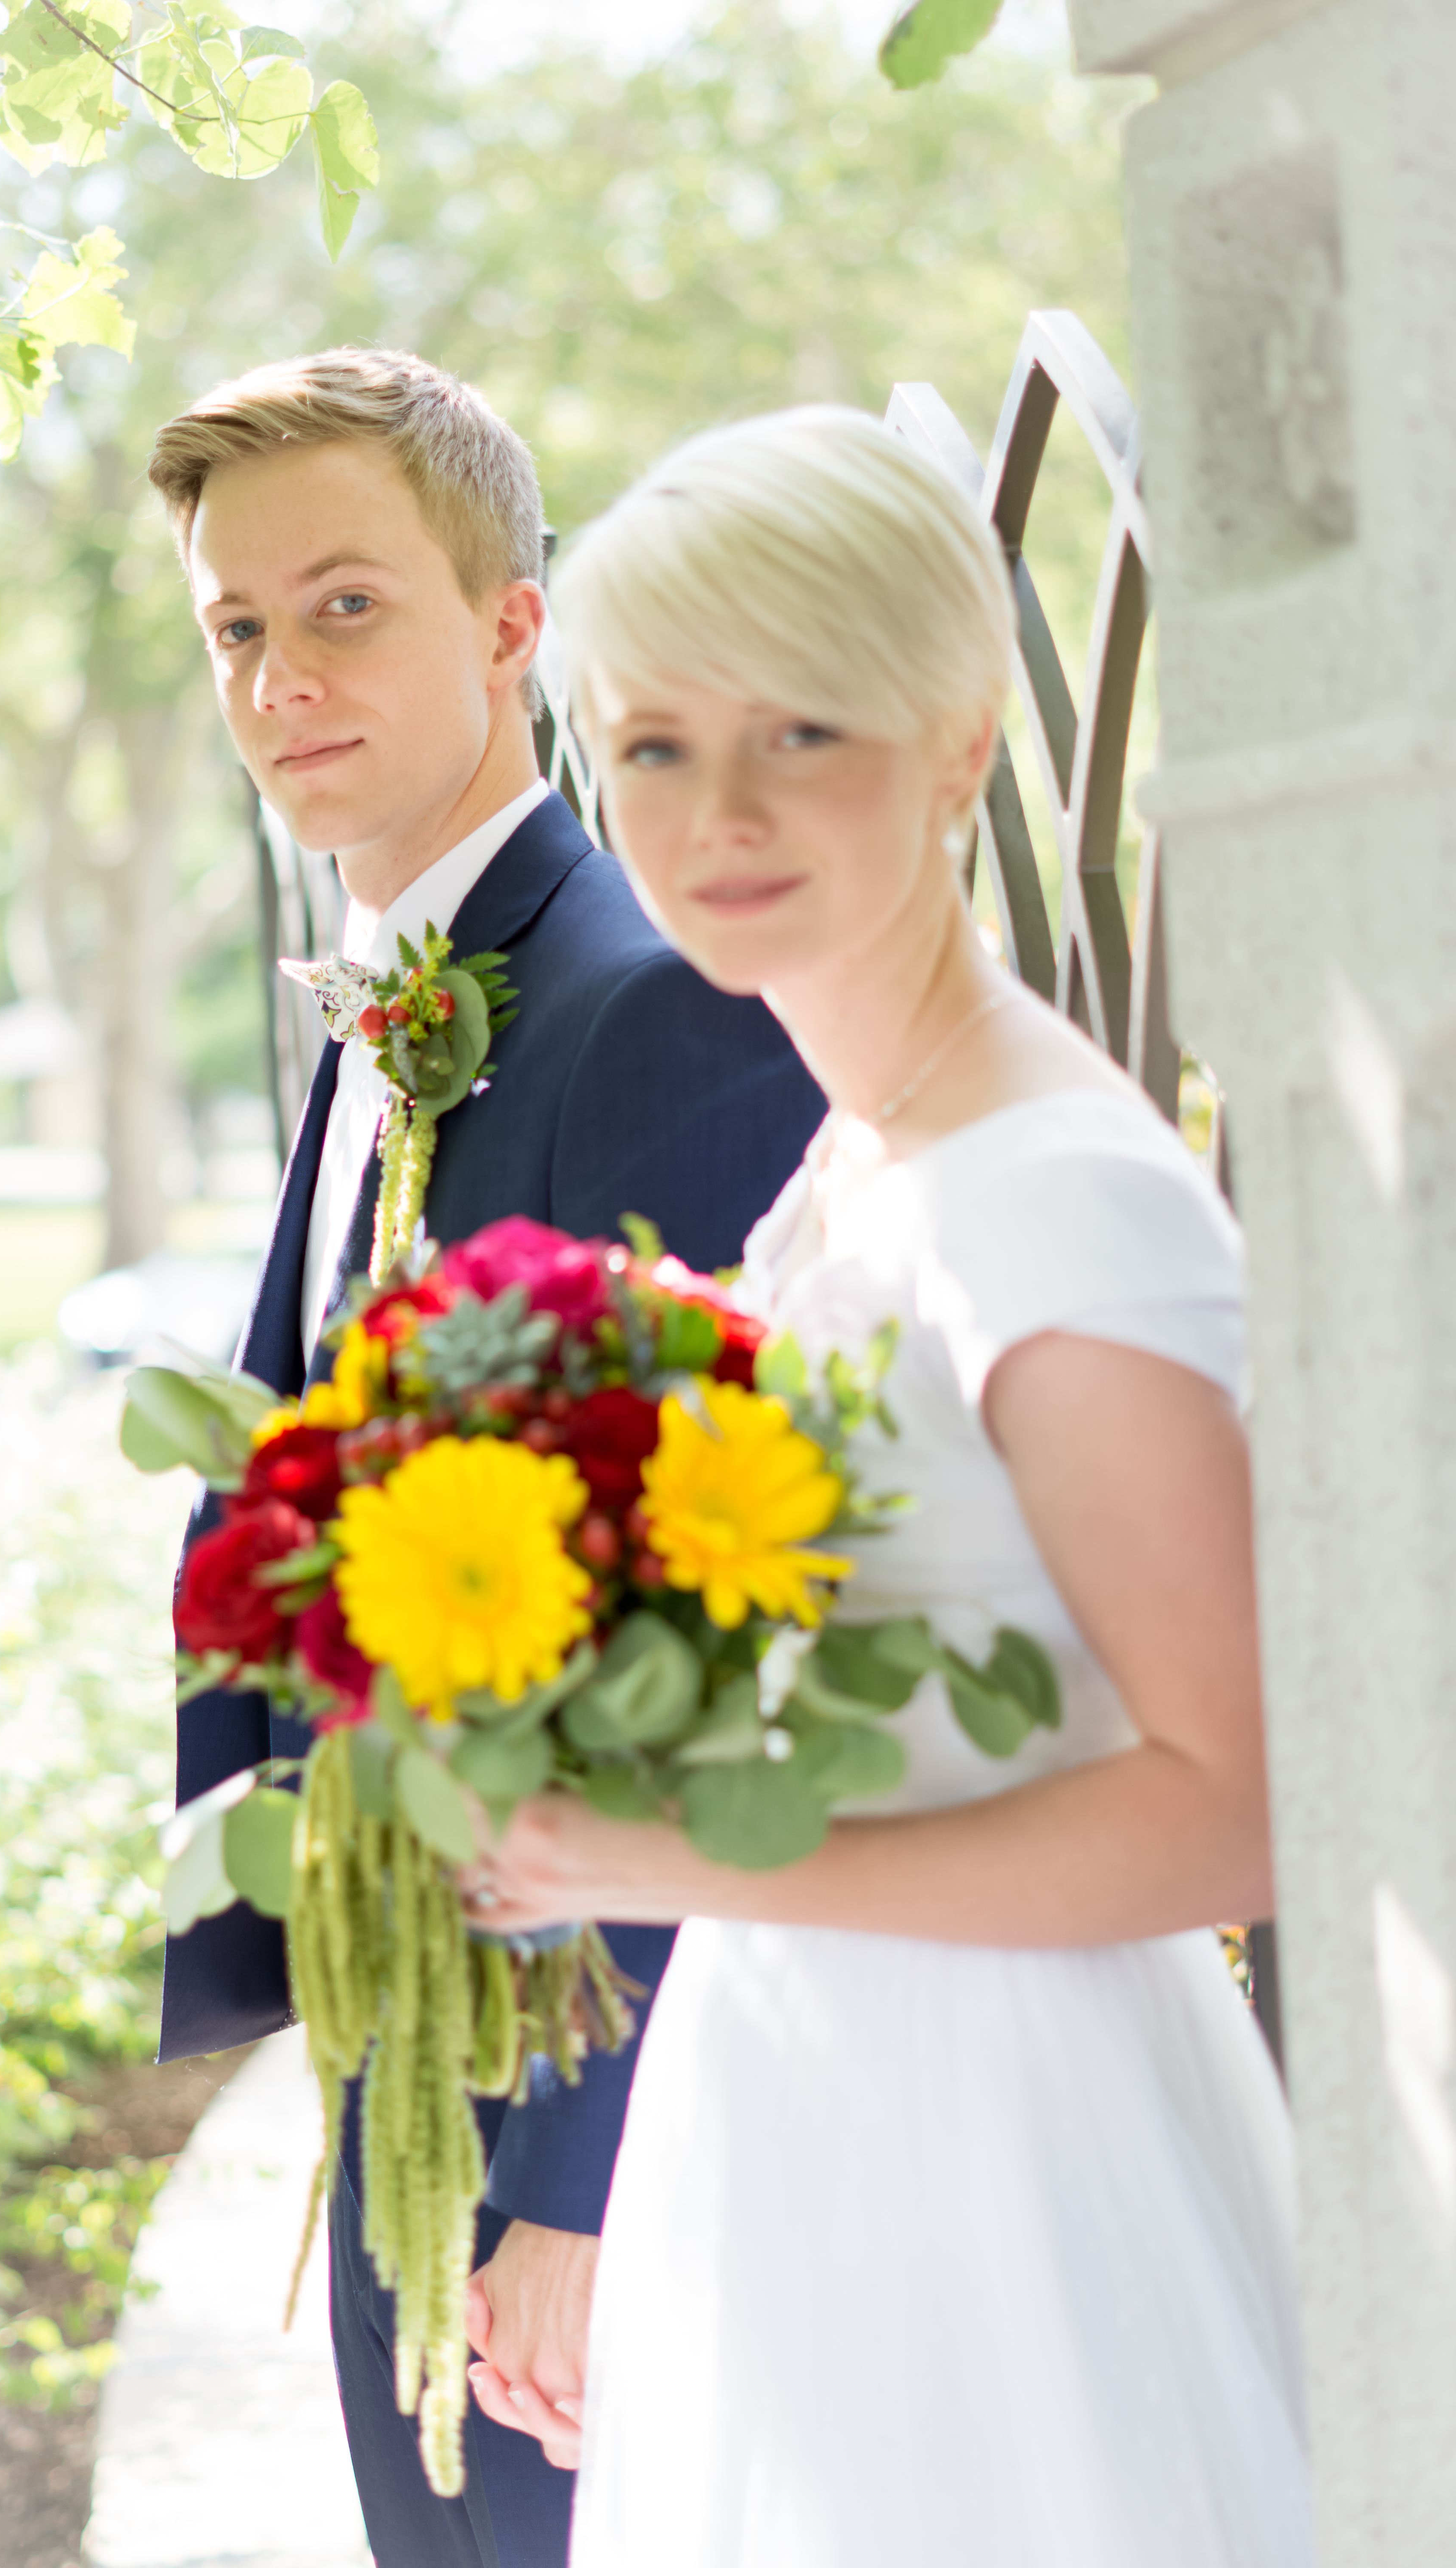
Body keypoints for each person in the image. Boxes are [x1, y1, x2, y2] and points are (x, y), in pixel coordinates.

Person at [458, 406, 1314, 2567]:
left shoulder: (1048, 1200)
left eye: (800, 732)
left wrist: (675, 1862)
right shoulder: (867, 1144)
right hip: (809, 2113)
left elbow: (1240, 1803)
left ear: (952, 745)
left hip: (1009, 2178)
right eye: (648, 748)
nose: (714, 816)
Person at [143, 349, 825, 2568]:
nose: (279, 678)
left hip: (567, 2129)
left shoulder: (651, 1018)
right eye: (237, 627)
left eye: (346, 607)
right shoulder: (372, 1017)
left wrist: (579, 2189)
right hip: (394, 2065)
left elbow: (725, 1640)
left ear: (512, 627)